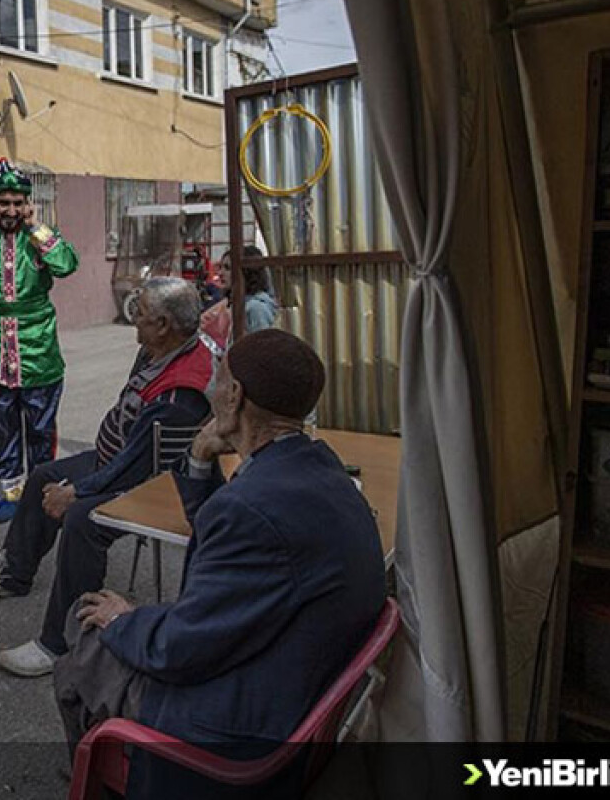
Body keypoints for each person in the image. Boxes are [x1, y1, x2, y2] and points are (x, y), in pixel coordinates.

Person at [54, 329, 386, 800]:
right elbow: (224, 536)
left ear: (234, 396)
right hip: (288, 681)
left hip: (233, 728)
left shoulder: (252, 509)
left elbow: (178, 648)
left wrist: (125, 618)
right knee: (107, 632)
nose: (208, 386)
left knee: (83, 636)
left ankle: (105, 773)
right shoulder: (317, 470)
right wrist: (198, 455)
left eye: (218, 376)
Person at [0, 278, 213, 678]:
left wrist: (77, 492)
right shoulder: (158, 348)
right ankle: (16, 574)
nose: (133, 320)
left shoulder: (181, 393)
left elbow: (138, 470)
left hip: (155, 482)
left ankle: (59, 643)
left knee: (85, 519)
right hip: (117, 459)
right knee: (43, 477)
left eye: (140, 315)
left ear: (163, 324)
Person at [0, 158, 80, 523]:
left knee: (41, 426)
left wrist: (38, 227)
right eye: (3, 203)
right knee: (3, 424)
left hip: (37, 347)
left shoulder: (40, 237)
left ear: (27, 203)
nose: (11, 210)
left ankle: (43, 492)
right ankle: (11, 493)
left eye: (17, 202)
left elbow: (67, 265)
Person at [198, 244, 278, 357]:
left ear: (246, 272)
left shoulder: (256, 308)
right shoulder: (239, 304)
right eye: (220, 267)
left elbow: (263, 353)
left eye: (227, 268)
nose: (220, 274)